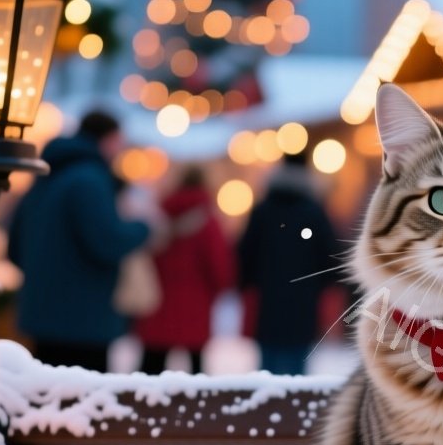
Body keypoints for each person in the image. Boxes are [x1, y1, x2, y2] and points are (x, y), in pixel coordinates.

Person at [7, 109, 151, 373]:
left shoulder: (45, 178)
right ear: (108, 140)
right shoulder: (90, 180)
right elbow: (107, 241)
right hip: (84, 320)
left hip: (42, 314)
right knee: (83, 405)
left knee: (47, 399)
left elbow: (14, 247)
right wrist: (143, 228)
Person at [237, 150, 337, 376]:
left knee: (266, 367)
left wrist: (247, 284)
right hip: (303, 301)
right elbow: (330, 256)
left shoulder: (263, 210)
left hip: (267, 300)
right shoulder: (314, 212)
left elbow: (245, 253)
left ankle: (265, 407)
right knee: (297, 369)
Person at [134, 166, 234, 374]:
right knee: (196, 371)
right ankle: (199, 406)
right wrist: (219, 289)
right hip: (196, 304)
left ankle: (144, 406)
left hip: (159, 302)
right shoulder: (208, 222)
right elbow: (219, 267)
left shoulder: (160, 216)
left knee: (151, 369)